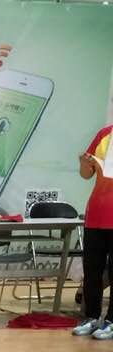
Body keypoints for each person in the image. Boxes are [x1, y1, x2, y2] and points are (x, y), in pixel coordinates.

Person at [72, 123, 113, 340]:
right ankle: (91, 317)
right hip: (97, 212)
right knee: (92, 270)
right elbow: (86, 174)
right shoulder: (105, 134)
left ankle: (111, 321)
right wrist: (84, 163)